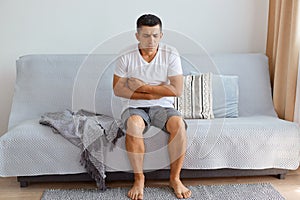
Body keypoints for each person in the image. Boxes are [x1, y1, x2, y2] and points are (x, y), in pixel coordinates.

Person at [113, 14, 192, 200]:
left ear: (161, 35)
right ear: (137, 36)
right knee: (133, 125)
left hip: (162, 106)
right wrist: (152, 94)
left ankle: (175, 178)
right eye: (146, 36)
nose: (151, 40)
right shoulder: (126, 55)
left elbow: (177, 90)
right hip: (134, 107)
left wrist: (143, 87)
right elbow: (118, 90)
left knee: (178, 125)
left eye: (155, 35)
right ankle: (139, 178)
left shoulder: (171, 54)